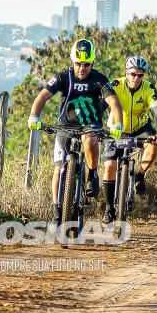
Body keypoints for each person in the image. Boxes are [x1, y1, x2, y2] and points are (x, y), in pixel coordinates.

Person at [27, 38, 124, 226]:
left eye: (86, 64)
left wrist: (118, 124)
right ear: (73, 61)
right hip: (65, 125)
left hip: (90, 124)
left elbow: (114, 102)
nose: (82, 68)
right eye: (79, 63)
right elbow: (43, 96)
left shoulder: (99, 79)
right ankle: (56, 210)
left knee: (90, 140)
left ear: (92, 63)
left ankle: (92, 175)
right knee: (58, 168)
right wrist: (34, 116)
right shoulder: (64, 76)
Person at [100, 55, 157, 223]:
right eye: (133, 74)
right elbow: (101, 106)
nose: (136, 78)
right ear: (126, 72)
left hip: (140, 129)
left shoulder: (149, 88)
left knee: (153, 146)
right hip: (117, 129)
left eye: (140, 75)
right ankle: (109, 208)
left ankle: (139, 175)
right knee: (109, 167)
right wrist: (96, 127)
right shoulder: (116, 84)